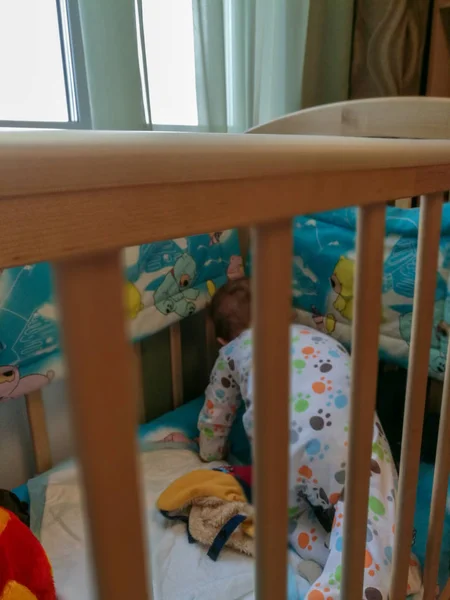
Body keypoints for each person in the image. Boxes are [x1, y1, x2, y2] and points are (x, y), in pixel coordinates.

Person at [197, 278, 421, 600]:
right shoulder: (318, 337)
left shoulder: (230, 353)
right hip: (340, 434)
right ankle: (369, 575)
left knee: (289, 520)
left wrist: (210, 453)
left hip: (278, 457)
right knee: (370, 506)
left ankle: (328, 553)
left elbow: (214, 417)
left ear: (222, 339)